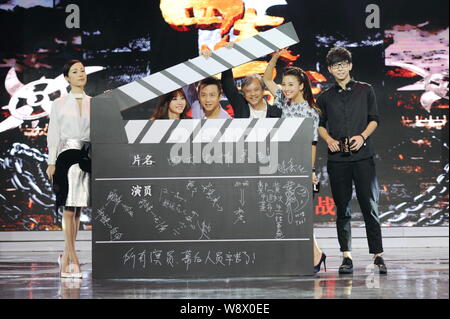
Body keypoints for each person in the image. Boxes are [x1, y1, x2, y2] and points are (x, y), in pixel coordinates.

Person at [317, 46, 387, 274]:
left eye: (343, 64)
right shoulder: (325, 97)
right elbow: (320, 124)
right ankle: (346, 256)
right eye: (335, 65)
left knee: (370, 206)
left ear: (350, 65)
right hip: (338, 160)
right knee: (343, 208)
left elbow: (374, 119)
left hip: (363, 156)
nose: (340, 68)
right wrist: (328, 139)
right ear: (330, 69)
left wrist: (362, 136)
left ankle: (378, 255)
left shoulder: (365, 90)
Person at [264, 49, 326, 273]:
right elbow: (266, 78)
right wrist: (275, 57)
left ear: (301, 86)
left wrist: (309, 171)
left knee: (299, 215)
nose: (286, 88)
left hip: (300, 167)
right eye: (284, 84)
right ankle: (307, 256)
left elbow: (312, 144)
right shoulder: (282, 100)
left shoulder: (311, 111)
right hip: (281, 165)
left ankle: (316, 255)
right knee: (285, 215)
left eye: (291, 84)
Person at [46, 60, 91, 279]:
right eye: (75, 71)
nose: (80, 74)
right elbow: (53, 133)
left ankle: (67, 255)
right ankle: (70, 259)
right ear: (67, 78)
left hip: (87, 156)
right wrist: (51, 161)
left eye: (82, 70)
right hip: (66, 156)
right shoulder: (59, 103)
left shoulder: (95, 102)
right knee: (69, 207)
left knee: (78, 207)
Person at [200, 45, 282, 118]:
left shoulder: (276, 111)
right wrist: (227, 54)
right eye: (248, 91)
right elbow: (227, 85)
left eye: (256, 90)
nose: (253, 94)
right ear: (243, 94)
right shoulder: (240, 106)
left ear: (263, 90)